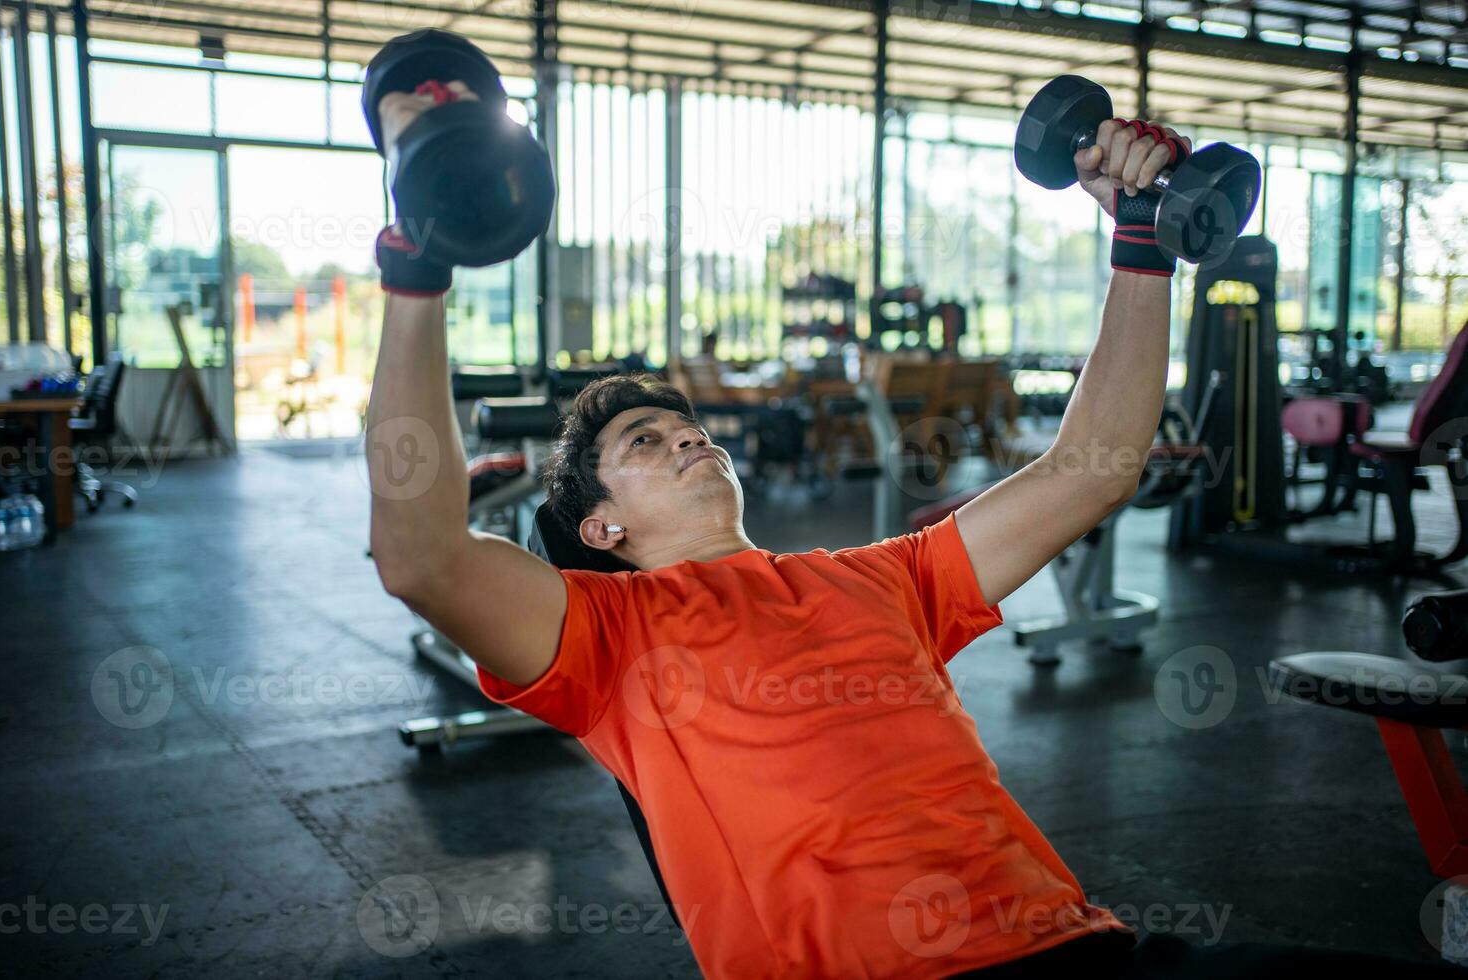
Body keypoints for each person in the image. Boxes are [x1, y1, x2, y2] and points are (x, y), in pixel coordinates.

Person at [364, 85, 1459, 978]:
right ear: (599, 523)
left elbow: (1091, 470)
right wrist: (417, 264)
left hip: (1088, 950)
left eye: (688, 425)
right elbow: (421, 556)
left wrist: (1142, 241)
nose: (690, 439)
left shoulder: (878, 577)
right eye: (648, 440)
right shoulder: (606, 637)